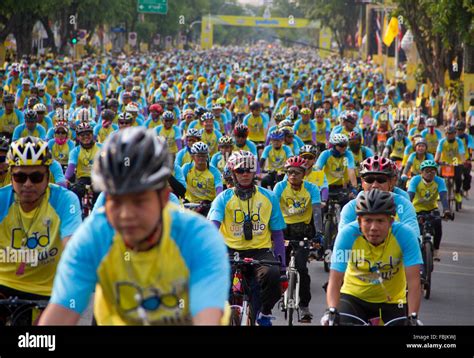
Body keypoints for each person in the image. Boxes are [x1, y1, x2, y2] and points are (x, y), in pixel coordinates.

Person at [39, 127, 229, 325]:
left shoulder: (199, 237)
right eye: (116, 201)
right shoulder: (92, 236)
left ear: (164, 198)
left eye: (139, 201)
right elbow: (61, 312)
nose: (126, 214)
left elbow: (206, 317)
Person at [0, 137, 81, 324]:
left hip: (47, 292)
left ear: (47, 176)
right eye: (20, 177)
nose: (27, 184)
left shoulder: (65, 201)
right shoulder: (2, 199)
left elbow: (71, 244)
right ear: (11, 176)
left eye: (36, 177)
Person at [321, 189, 422, 326]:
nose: (374, 227)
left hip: (392, 302)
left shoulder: (405, 235)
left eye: (380, 221)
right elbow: (335, 279)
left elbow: (414, 283)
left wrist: (412, 316)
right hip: (353, 297)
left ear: (391, 221)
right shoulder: (347, 234)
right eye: (368, 220)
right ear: (359, 221)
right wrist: (331, 311)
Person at [208, 150, 286, 326]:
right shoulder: (223, 198)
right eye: (239, 170)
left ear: (254, 172)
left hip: (260, 252)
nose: (244, 174)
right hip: (229, 251)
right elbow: (212, 229)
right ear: (233, 173)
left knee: (273, 276)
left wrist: (282, 269)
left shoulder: (269, 197)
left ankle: (264, 313)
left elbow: (278, 235)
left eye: (248, 170)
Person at [273, 156, 323, 323]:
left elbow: (316, 212)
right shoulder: (279, 187)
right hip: (283, 233)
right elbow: (272, 211)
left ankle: (304, 307)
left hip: (303, 233)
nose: (293, 175)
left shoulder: (312, 189)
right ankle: (280, 296)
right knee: (278, 267)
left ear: (304, 173)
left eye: (297, 172)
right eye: (289, 172)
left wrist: (319, 233)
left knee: (302, 268)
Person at [339, 155, 419, 236]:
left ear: (391, 182)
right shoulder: (350, 208)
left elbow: (413, 236)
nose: (375, 185)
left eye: (381, 180)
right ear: (362, 182)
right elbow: (343, 240)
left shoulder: (404, 204)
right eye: (369, 180)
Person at [408, 160, 451, 261]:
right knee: (414, 231)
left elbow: (444, 197)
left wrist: (446, 210)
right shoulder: (415, 180)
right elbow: (410, 196)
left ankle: (436, 251)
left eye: (432, 171)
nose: (429, 173)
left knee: (438, 226)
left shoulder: (439, 181)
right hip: (416, 209)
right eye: (427, 171)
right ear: (421, 172)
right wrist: (407, 209)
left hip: (432, 209)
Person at [182, 142, 222, 216]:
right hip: (190, 203)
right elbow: (180, 184)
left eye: (204, 155)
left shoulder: (214, 171)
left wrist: (216, 203)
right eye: (198, 155)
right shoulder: (186, 168)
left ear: (207, 156)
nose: (201, 158)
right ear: (193, 156)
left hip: (207, 204)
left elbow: (219, 188)